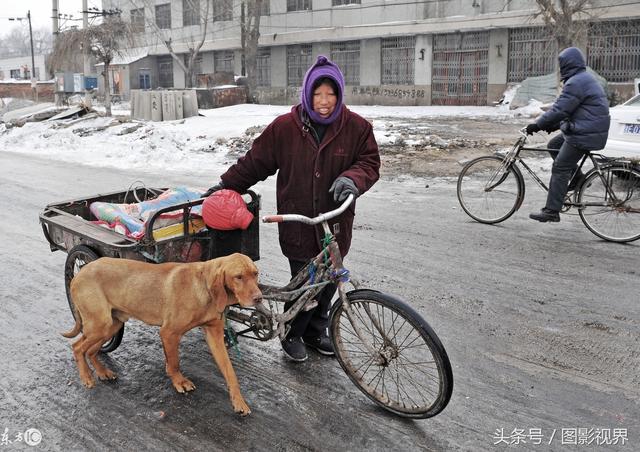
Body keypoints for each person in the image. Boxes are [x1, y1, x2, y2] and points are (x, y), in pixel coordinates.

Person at [202, 55, 380, 362]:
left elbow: (369, 162)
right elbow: (256, 162)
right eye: (318, 94)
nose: (324, 101)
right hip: (298, 221)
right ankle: (293, 332)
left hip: (335, 223)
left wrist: (353, 179)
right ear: (308, 94)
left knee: (329, 281)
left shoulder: (357, 128)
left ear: (339, 94)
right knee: (303, 283)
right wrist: (227, 186)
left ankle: (317, 329)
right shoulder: (285, 127)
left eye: (331, 94)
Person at [525, 47, 610, 223]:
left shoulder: (576, 82)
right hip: (586, 129)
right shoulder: (583, 79)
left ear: (567, 64)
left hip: (585, 133)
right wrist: (554, 125)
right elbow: (573, 109)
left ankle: (551, 211)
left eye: (561, 64)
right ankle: (578, 179)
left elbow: (560, 109)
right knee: (554, 145)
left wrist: (538, 124)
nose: (560, 68)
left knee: (560, 167)